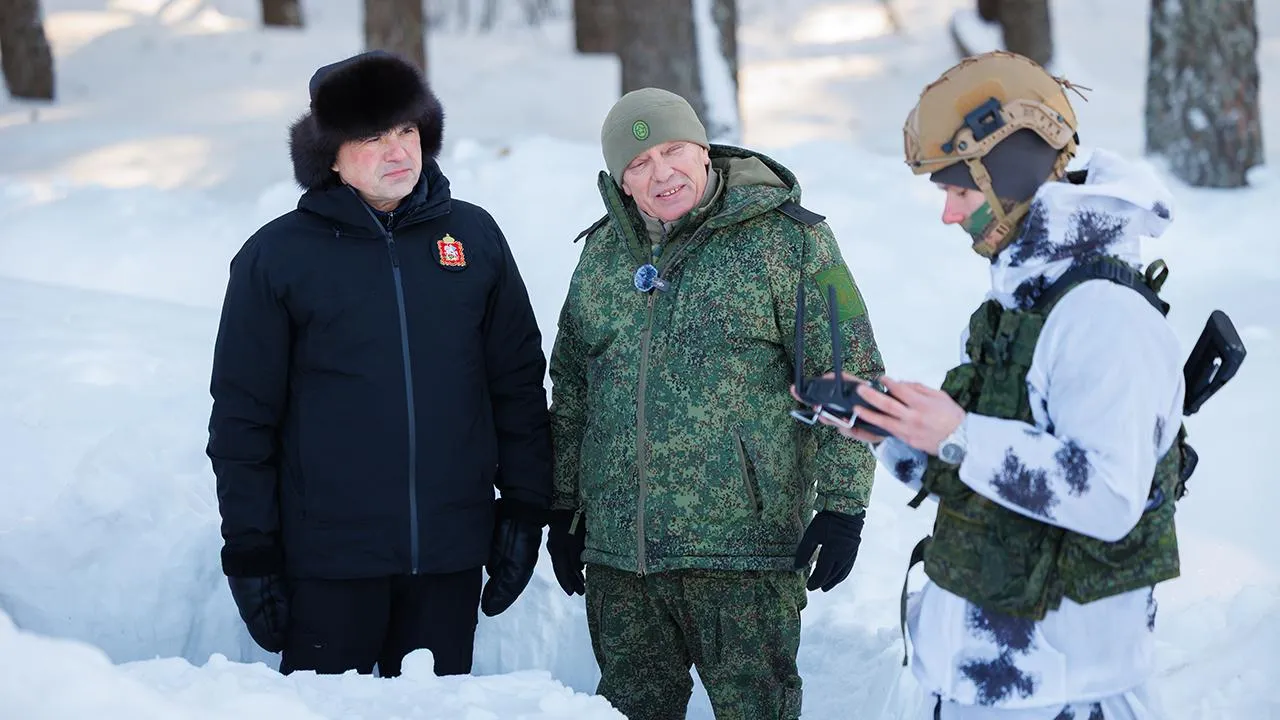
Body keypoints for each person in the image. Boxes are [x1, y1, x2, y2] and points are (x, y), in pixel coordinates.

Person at [823, 51, 1186, 719]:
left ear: (1009, 171)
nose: (949, 216)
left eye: (958, 192)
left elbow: (1109, 499)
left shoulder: (1103, 317)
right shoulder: (1022, 304)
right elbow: (986, 478)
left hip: (1066, 698)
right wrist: (889, 430)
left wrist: (960, 434)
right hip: (990, 687)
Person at [206, 50, 553, 678]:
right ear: (329, 155)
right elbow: (241, 421)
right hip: (329, 565)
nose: (397, 151)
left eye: (407, 130)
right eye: (370, 136)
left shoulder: (474, 239)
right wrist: (251, 551)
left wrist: (526, 506)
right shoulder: (275, 259)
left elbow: (518, 386)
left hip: (449, 559)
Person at [545, 87, 885, 720]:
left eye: (673, 151)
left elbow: (848, 371)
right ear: (621, 180)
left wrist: (844, 506)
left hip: (744, 556)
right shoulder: (599, 256)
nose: (662, 173)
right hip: (624, 561)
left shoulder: (794, 242)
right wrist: (565, 502)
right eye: (639, 163)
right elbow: (572, 388)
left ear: (703, 151)